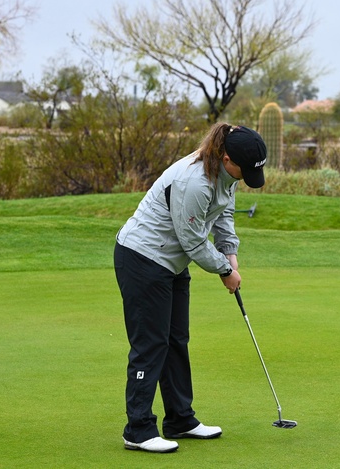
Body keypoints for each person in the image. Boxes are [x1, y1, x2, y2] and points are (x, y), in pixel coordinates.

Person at [114, 123, 267, 453]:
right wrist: (225, 270)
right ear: (227, 159)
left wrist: (229, 251)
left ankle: (180, 419)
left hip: (171, 262)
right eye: (243, 171)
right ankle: (137, 429)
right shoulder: (195, 181)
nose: (245, 178)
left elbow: (224, 212)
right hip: (143, 258)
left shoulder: (225, 173)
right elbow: (193, 241)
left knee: (176, 340)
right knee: (151, 344)